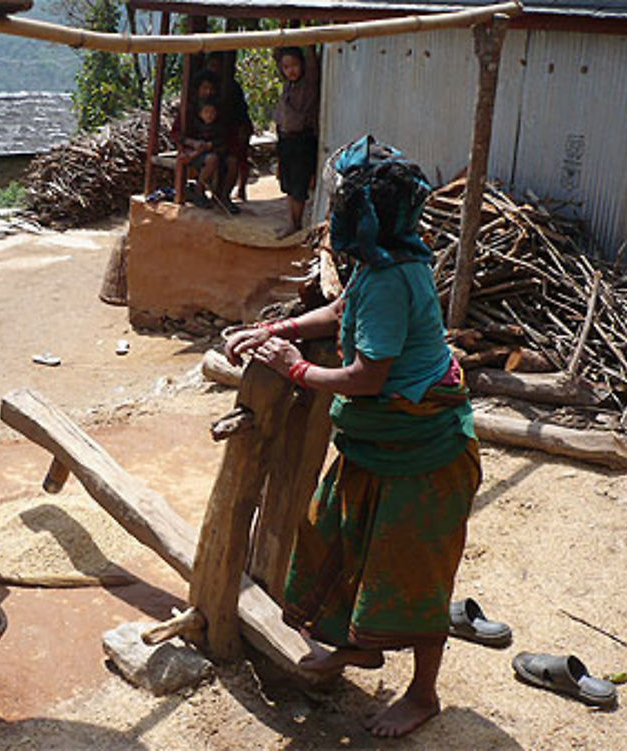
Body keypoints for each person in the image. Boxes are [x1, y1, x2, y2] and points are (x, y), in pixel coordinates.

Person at [225, 136, 480, 738]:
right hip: (376, 446)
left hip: (422, 456)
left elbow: (367, 377)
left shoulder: (393, 278)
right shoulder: (382, 260)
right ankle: (358, 648)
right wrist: (279, 325)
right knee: (331, 541)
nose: (331, 207)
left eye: (340, 199)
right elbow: (344, 311)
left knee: (413, 575)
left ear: (362, 214)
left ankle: (423, 694)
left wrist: (293, 367)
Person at [273, 45, 320, 238]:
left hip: (302, 141)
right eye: (286, 67)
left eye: (294, 65)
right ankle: (291, 221)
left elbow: (311, 59)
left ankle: (295, 223)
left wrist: (306, 33)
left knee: (299, 185)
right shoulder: (287, 87)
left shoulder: (307, 83)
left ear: (302, 65)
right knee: (288, 184)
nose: (291, 70)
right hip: (286, 141)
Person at [175, 97, 239, 214]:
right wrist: (194, 146)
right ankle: (199, 191)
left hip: (217, 152)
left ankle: (224, 196)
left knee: (232, 162)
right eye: (206, 112)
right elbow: (179, 137)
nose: (210, 115)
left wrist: (210, 145)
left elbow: (223, 141)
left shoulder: (219, 126)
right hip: (197, 156)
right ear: (200, 114)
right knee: (211, 159)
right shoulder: (193, 124)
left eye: (212, 112)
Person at [205, 51, 254, 202]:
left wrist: (242, 129)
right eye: (211, 66)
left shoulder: (232, 86)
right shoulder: (209, 87)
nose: (214, 69)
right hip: (222, 128)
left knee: (239, 159)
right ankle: (220, 193)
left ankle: (239, 189)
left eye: (217, 66)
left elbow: (241, 110)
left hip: (238, 126)